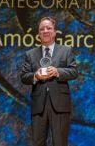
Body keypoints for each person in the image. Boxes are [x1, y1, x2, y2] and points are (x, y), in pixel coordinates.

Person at [20, 16, 78, 146]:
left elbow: (74, 72)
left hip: (60, 104)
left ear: (55, 32)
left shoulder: (65, 50)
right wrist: (35, 76)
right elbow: (24, 76)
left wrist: (57, 72)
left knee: (60, 142)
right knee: (38, 143)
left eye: (49, 28)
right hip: (39, 105)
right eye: (42, 29)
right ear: (38, 33)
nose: (45, 31)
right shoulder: (30, 54)